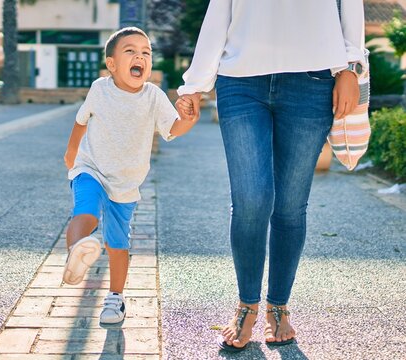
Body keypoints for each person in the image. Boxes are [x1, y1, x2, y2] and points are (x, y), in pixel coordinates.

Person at [176, 0, 366, 352]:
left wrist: (351, 67)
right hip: (240, 81)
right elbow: (220, 10)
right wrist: (195, 83)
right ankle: (247, 305)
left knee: (291, 206)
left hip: (313, 81)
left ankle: (278, 307)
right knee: (251, 200)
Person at [63, 27, 199, 325]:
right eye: (130, 51)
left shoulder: (154, 96)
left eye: (146, 52)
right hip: (91, 168)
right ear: (111, 64)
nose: (140, 56)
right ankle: (76, 250)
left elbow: (171, 130)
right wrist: (71, 153)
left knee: (118, 242)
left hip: (126, 183)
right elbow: (80, 120)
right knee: (86, 211)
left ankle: (115, 297)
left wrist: (187, 121)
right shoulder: (100, 89)